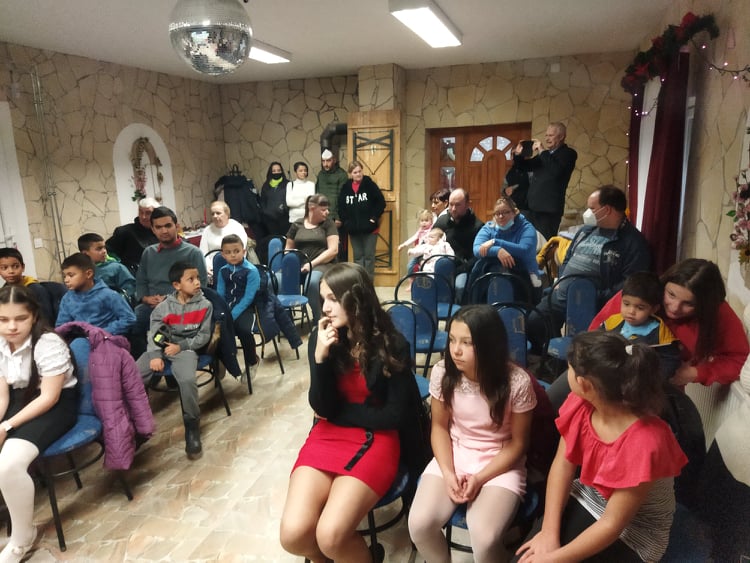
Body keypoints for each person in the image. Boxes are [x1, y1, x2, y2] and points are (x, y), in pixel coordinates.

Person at [279, 263, 415, 563]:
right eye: (323, 299)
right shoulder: (324, 337)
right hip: (327, 437)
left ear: (357, 298)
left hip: (377, 439)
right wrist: (320, 358)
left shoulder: (392, 343)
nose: (325, 308)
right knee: (293, 535)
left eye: (333, 298)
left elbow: (393, 416)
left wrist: (340, 416)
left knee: (331, 535)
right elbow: (322, 407)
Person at [516, 332, 687, 562]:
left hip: (634, 531)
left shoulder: (645, 443)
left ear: (583, 384)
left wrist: (554, 559)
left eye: (569, 369)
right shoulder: (581, 404)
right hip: (589, 496)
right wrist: (548, 532)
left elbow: (612, 523)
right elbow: (563, 465)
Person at [408, 305, 536, 562]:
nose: (455, 350)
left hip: (500, 461)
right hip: (456, 452)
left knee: (484, 539)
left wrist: (479, 478)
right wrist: (448, 472)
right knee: (419, 525)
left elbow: (518, 443)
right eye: (452, 340)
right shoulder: (443, 372)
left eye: (467, 343)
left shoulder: (517, 382)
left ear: (489, 345)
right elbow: (439, 427)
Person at [0, 285, 78, 562]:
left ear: (33, 315)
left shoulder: (48, 343)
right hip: (20, 399)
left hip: (54, 404)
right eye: (3, 319)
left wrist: (6, 427)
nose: (11, 327)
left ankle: (22, 538)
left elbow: (49, 397)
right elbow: (3, 395)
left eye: (20, 318)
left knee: (9, 464)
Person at [526, 185, 651, 355]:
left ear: (607, 210)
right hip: (561, 293)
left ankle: (573, 362)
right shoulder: (586, 231)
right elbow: (568, 257)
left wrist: (597, 295)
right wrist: (560, 278)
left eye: (592, 208)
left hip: (590, 301)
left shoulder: (633, 242)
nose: (587, 213)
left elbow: (631, 282)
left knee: (583, 344)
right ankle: (553, 360)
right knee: (534, 322)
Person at [590, 258, 749, 387]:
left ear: (705, 306)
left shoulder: (718, 312)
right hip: (605, 379)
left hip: (661, 388)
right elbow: (591, 339)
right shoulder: (638, 295)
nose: (674, 308)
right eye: (671, 295)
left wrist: (696, 373)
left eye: (689, 303)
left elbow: (740, 359)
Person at [136, 262, 212, 459]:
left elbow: (203, 336)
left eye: (197, 278)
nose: (197, 282)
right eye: (191, 279)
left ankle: (192, 426)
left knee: (187, 380)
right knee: (133, 376)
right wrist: (155, 355)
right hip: (161, 346)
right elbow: (153, 334)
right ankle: (137, 425)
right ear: (177, 285)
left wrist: (181, 346)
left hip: (185, 349)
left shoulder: (205, 305)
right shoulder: (163, 308)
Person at [131, 206, 208, 359]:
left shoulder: (193, 253)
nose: (164, 231)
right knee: (133, 324)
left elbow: (201, 286)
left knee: (171, 329)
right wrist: (145, 298)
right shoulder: (149, 253)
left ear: (176, 226)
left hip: (183, 306)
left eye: (168, 225)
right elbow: (141, 281)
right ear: (153, 230)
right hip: (151, 306)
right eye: (159, 227)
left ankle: (172, 363)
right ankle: (148, 363)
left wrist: (169, 300)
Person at [512, 123, 577, 240]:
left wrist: (542, 151)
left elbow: (556, 171)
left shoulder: (568, 153)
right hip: (531, 208)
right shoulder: (544, 156)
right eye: (546, 135)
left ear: (561, 136)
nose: (547, 139)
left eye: (551, 135)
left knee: (544, 243)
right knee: (528, 241)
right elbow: (524, 167)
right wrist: (518, 155)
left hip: (548, 211)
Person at [285, 194, 339, 323]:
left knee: (312, 282)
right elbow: (288, 248)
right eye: (323, 209)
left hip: (322, 264)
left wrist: (311, 264)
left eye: (328, 209)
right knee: (276, 280)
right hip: (300, 264)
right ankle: (286, 318)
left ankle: (318, 318)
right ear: (312, 208)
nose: (327, 212)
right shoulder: (297, 224)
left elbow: (333, 250)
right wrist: (290, 264)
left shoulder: (328, 224)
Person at [215, 234, 260, 384]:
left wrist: (231, 315)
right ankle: (221, 360)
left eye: (236, 251)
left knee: (244, 330)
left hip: (246, 307)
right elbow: (220, 294)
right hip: (226, 306)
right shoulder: (223, 271)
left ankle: (252, 361)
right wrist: (221, 312)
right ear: (223, 254)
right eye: (228, 252)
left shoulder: (251, 271)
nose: (233, 255)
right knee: (214, 327)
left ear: (244, 251)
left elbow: (248, 298)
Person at [56, 253, 136, 337]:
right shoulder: (67, 299)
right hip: (81, 339)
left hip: (108, 339)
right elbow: (62, 326)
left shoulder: (109, 295)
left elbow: (129, 318)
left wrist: (103, 333)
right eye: (64, 276)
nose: (66, 280)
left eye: (71, 275)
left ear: (88, 274)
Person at [472, 197, 541, 290]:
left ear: (514, 212)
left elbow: (525, 250)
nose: (501, 216)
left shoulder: (526, 228)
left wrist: (495, 242)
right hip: (493, 275)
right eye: (497, 213)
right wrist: (498, 251)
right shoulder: (489, 227)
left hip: (525, 276)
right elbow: (477, 249)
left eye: (505, 212)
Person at [433, 188, 484, 302]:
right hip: (439, 266)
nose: (453, 209)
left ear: (467, 204)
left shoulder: (477, 226)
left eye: (457, 205)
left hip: (463, 269)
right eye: (451, 204)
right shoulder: (441, 221)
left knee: (459, 288)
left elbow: (477, 256)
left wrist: (461, 269)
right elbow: (427, 242)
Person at [337, 161, 386, 278]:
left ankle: (368, 282)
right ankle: (360, 281)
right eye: (355, 172)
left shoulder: (370, 185)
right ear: (350, 174)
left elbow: (381, 203)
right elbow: (341, 207)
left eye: (360, 171)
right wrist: (346, 222)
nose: (358, 174)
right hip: (353, 230)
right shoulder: (345, 188)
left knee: (369, 257)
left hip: (370, 229)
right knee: (358, 257)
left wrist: (374, 218)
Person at [0, 248, 55, 324]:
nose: (11, 271)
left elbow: (46, 319)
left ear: (23, 267)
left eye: (15, 266)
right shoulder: (3, 293)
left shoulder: (36, 290)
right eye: (4, 268)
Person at [78, 232, 136, 303]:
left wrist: (117, 300)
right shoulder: (78, 272)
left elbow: (130, 288)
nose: (104, 251)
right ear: (85, 254)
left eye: (104, 247)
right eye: (99, 249)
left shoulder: (116, 267)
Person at [106, 196, 159, 273]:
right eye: (141, 212)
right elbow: (108, 252)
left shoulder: (162, 232)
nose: (143, 217)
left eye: (148, 213)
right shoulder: (124, 231)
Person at [316, 148, 349, 262]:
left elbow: (343, 197)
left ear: (334, 160)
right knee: (323, 245)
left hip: (336, 217)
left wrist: (339, 217)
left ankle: (338, 268)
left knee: (336, 246)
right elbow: (318, 195)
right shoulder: (320, 175)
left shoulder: (342, 174)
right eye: (323, 161)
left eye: (328, 161)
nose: (325, 164)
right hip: (322, 216)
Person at [198, 200, 248, 267]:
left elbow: (240, 252)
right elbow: (203, 253)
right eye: (212, 214)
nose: (215, 216)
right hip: (212, 267)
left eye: (218, 213)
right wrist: (207, 267)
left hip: (234, 265)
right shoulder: (207, 230)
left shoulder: (237, 227)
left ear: (227, 214)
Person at [260, 161, 290, 240]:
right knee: (274, 240)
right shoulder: (266, 185)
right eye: (274, 171)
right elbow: (262, 201)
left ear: (281, 171)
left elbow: (290, 199)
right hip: (270, 220)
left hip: (284, 219)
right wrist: (265, 212)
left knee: (285, 240)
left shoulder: (288, 184)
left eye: (278, 170)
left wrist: (284, 209)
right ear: (270, 172)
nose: (276, 172)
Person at [398, 209, 433, 275]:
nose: (424, 223)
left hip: (426, 253)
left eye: (426, 220)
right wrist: (403, 245)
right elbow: (413, 238)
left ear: (431, 221)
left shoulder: (432, 231)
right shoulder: (420, 231)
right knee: (410, 266)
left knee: (424, 267)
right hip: (418, 252)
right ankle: (411, 279)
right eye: (422, 221)